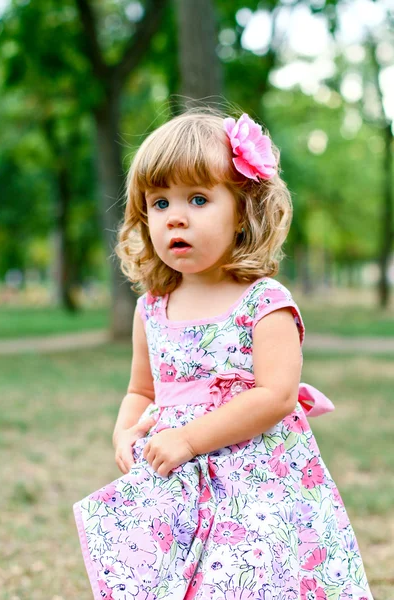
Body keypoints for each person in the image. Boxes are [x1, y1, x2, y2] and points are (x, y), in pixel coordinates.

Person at [73, 110, 373, 600]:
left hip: (256, 484)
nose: (176, 216)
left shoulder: (263, 302)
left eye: (198, 199)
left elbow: (275, 397)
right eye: (159, 202)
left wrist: (190, 438)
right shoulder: (152, 308)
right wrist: (124, 430)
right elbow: (141, 390)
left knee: (248, 582)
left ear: (243, 211)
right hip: (181, 486)